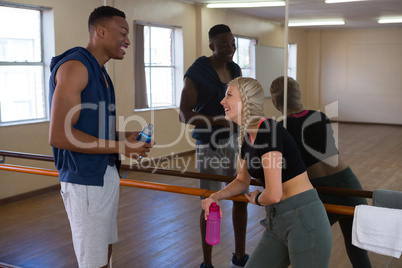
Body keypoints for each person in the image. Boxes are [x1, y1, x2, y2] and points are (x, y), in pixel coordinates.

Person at [48, 6, 154, 268]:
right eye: (123, 33)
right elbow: (59, 134)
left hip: (104, 173)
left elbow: (90, 129)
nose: (128, 40)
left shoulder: (101, 72)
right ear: (101, 31)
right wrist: (121, 146)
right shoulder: (75, 67)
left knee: (104, 255)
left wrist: (124, 139)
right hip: (84, 179)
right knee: (92, 261)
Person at [202, 77, 333, 268]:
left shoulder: (268, 130)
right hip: (276, 221)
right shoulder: (248, 136)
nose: (222, 101)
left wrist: (256, 199)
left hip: (304, 220)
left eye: (228, 95)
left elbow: (273, 194)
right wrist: (215, 196)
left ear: (245, 100)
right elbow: (241, 180)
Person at [270, 76, 371, 268]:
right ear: (298, 96)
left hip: (321, 192)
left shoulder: (282, 127)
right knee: (358, 252)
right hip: (349, 183)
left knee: (296, 244)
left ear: (275, 102)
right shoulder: (320, 116)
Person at [179, 24, 249, 268]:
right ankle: (207, 263)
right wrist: (217, 121)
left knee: (240, 196)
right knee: (211, 202)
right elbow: (184, 114)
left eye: (232, 44)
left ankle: (240, 256)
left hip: (235, 142)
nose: (230, 49)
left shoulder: (235, 68)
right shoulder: (196, 72)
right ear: (212, 46)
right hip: (209, 145)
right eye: (223, 45)